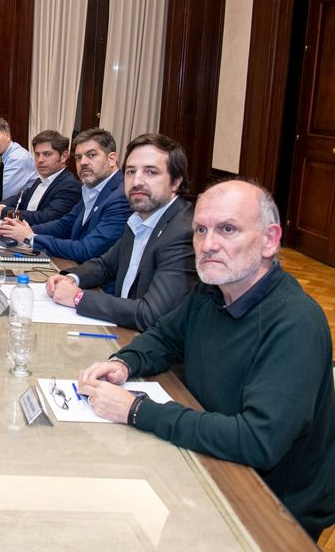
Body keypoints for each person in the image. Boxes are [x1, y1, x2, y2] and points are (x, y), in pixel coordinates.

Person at [78, 180, 335, 540]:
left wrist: (137, 410)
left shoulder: (296, 323)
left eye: (227, 229)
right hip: (207, 456)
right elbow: (165, 337)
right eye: (200, 230)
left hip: (272, 506)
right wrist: (125, 362)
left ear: (270, 240)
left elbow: (258, 440)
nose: (208, 245)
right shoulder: (212, 290)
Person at [45, 134, 197, 330]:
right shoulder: (139, 217)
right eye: (131, 172)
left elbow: (151, 314)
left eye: (151, 172)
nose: (136, 181)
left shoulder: (184, 232)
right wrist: (70, 278)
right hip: (121, 329)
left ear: (176, 181)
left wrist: (78, 297)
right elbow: (106, 265)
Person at [0, 128, 130, 263]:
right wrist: (19, 230)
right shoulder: (91, 188)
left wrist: (30, 237)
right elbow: (64, 225)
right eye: (78, 157)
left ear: (112, 159)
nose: (83, 162)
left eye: (91, 155)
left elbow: (87, 249)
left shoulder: (121, 196)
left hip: (93, 277)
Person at [0, 129, 79, 224]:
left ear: (64, 156)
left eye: (47, 154)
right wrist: (2, 206)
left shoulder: (69, 186)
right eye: (37, 154)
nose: (40, 160)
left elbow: (44, 217)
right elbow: (20, 198)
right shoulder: (42, 178)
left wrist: (5, 211)